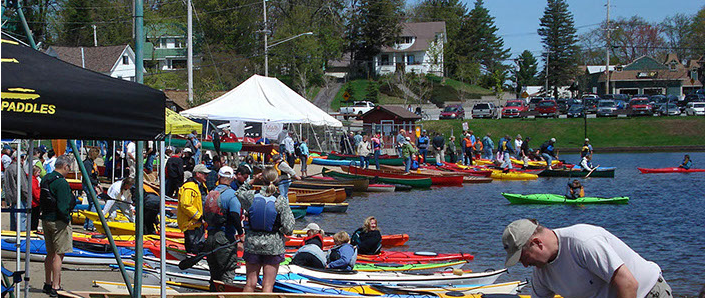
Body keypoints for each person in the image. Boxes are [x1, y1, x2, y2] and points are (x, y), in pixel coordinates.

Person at [501, 219, 670, 298]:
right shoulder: (541, 274)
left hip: (647, 293)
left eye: (523, 258)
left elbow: (628, 284)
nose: (525, 265)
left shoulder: (582, 242)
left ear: (537, 243)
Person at [234, 167, 295, 292]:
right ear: (276, 180)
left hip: (252, 243)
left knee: (250, 283)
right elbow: (289, 228)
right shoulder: (280, 200)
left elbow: (238, 193)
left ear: (262, 179)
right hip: (273, 245)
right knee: (267, 285)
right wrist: (281, 231)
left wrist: (252, 180)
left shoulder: (251, 196)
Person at [40, 155, 74, 297]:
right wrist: (67, 218)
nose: (69, 170)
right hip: (58, 221)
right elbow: (63, 205)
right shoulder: (62, 183)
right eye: (69, 168)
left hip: (46, 219)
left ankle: (47, 283)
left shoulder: (46, 178)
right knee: (59, 255)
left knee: (50, 253)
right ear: (65, 166)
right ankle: (56, 285)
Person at [202, 166, 243, 282]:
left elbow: (204, 215)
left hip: (210, 237)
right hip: (225, 238)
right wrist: (240, 233)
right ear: (232, 178)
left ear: (219, 177)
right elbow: (235, 215)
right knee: (227, 272)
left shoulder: (210, 194)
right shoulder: (232, 195)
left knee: (214, 274)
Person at [177, 164, 210, 254]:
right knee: (193, 247)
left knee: (199, 246)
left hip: (198, 224)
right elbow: (185, 205)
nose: (206, 176)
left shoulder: (201, 186)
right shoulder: (189, 187)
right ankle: (192, 261)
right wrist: (199, 217)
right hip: (191, 224)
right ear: (198, 174)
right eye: (204, 174)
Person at [3, 151, 30, 231]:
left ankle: (14, 238)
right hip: (20, 198)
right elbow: (23, 185)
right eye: (21, 158)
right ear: (16, 158)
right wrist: (28, 197)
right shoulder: (18, 169)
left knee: (14, 222)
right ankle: (20, 239)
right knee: (21, 220)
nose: (23, 160)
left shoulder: (8, 168)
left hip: (11, 198)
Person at [83, 147, 103, 231]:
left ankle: (87, 224)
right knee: (94, 203)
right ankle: (91, 225)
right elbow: (88, 177)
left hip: (91, 184)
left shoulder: (91, 163)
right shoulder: (87, 164)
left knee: (91, 204)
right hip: (88, 185)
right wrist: (97, 184)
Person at [30, 165, 42, 231]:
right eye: (38, 172)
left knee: (34, 217)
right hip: (35, 203)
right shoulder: (33, 180)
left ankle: (33, 228)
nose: (39, 174)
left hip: (35, 201)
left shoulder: (33, 179)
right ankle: (33, 229)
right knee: (35, 217)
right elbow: (35, 191)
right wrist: (39, 199)